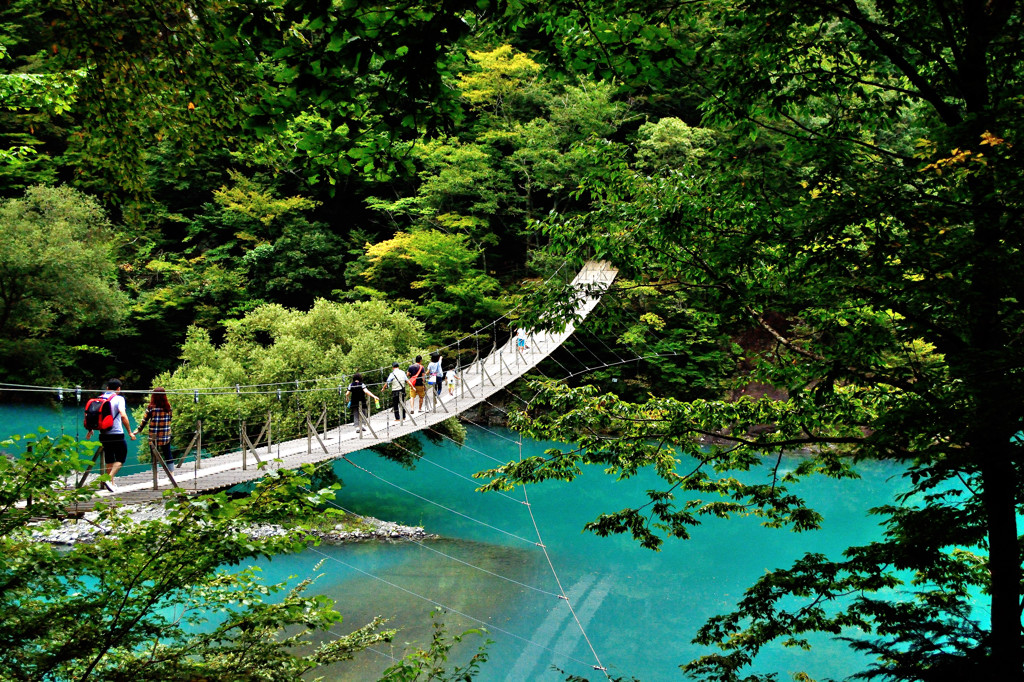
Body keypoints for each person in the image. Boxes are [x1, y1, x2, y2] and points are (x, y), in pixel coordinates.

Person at [85, 378, 136, 493]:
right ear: (118, 389)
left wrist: (90, 429)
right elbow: (123, 415)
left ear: (107, 388)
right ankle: (108, 479)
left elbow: (93, 415)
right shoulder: (119, 399)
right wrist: (129, 432)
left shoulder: (99, 398)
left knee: (109, 458)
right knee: (121, 457)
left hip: (103, 434)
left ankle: (111, 484)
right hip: (117, 433)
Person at [133, 387, 173, 472]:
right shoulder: (168, 407)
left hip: (153, 436)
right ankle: (172, 474)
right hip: (165, 435)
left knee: (154, 455)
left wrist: (138, 430)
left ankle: (155, 474)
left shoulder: (151, 407)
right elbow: (170, 419)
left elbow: (145, 420)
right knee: (168, 454)